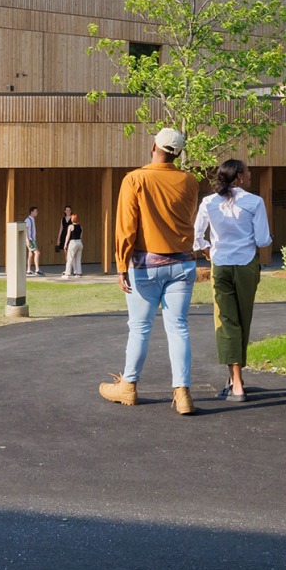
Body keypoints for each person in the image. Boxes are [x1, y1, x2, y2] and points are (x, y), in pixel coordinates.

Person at [99, 128, 202, 415]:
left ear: (153, 145)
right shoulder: (189, 181)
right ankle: (182, 394)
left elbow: (127, 227)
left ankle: (129, 386)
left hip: (146, 265)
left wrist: (121, 265)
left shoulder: (135, 179)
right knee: (179, 328)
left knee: (140, 329)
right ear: (179, 153)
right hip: (182, 263)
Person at [194, 159, 271, 401]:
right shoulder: (254, 202)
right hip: (246, 264)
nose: (250, 175)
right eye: (247, 172)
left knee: (226, 322)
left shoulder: (209, 202)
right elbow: (263, 240)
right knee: (242, 319)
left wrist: (208, 250)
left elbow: (196, 236)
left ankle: (234, 381)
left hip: (221, 265)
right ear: (239, 176)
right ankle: (237, 381)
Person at [57, 206, 84, 278]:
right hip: (79, 242)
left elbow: (68, 236)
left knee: (70, 258)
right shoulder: (80, 226)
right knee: (78, 258)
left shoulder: (71, 226)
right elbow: (81, 236)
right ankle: (78, 273)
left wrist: (65, 244)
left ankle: (67, 274)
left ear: (72, 219)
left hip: (73, 242)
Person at [24, 206, 42, 276]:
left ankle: (28, 270)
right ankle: (37, 269)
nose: (37, 213)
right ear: (31, 212)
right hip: (30, 239)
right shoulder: (28, 220)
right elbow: (26, 230)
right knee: (37, 253)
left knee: (30, 254)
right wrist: (27, 240)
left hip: (32, 239)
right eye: (35, 211)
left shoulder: (32, 220)